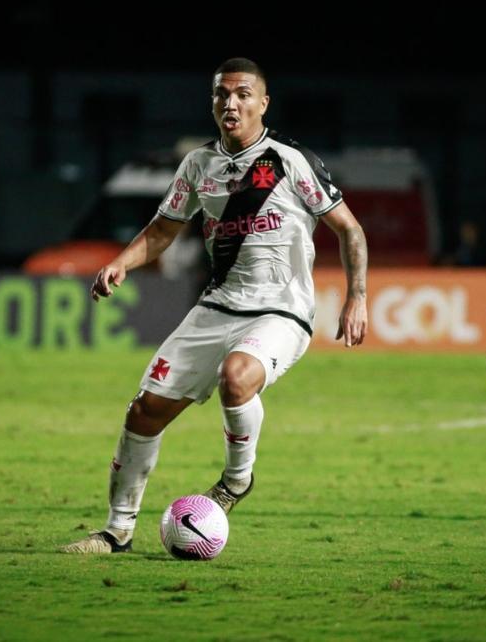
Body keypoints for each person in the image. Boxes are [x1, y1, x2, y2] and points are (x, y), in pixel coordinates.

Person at [60, 57, 369, 554]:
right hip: (217, 306)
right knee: (143, 413)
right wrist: (122, 262)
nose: (231, 102)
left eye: (243, 94)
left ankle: (236, 481)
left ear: (263, 103)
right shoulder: (198, 165)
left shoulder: (290, 160)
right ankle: (117, 532)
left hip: (281, 310)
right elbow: (163, 229)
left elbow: (348, 228)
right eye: (222, 94)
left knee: (237, 375)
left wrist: (357, 296)